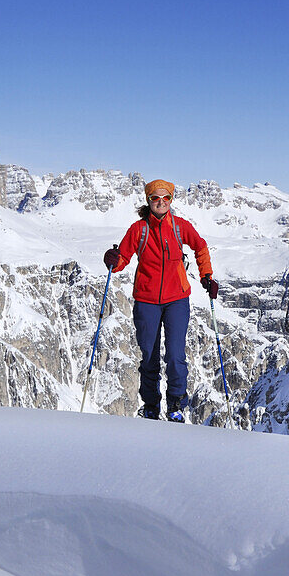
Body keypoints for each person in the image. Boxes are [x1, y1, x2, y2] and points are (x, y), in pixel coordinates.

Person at [103, 179, 218, 421]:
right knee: (149, 355)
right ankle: (151, 405)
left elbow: (200, 247)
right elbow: (122, 258)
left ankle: (175, 405)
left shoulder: (179, 227)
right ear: (148, 200)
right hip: (146, 300)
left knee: (175, 355)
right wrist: (112, 260)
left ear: (171, 200)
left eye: (166, 198)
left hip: (177, 299)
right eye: (156, 198)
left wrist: (206, 275)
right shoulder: (139, 229)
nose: (161, 202)